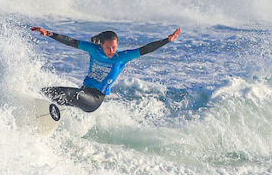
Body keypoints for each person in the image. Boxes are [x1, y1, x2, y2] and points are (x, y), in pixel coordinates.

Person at [30, 26, 182, 113]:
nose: (111, 50)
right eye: (108, 47)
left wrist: (167, 40)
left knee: (66, 93)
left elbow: (146, 49)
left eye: (114, 47)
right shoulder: (93, 49)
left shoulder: (121, 57)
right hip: (83, 91)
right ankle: (40, 109)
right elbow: (71, 41)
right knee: (49, 91)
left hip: (94, 100)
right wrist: (49, 33)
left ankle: (49, 110)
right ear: (101, 44)